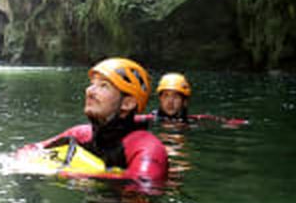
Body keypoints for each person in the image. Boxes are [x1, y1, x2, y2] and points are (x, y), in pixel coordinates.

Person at [17, 57, 168, 184]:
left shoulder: (147, 147)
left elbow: (144, 183)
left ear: (127, 103)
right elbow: (31, 149)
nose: (89, 91)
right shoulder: (80, 134)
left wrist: (76, 174)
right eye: (92, 84)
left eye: (103, 86)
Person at [136, 72, 248, 127]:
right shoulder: (150, 119)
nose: (170, 101)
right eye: (166, 96)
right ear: (160, 99)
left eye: (175, 96)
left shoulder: (192, 120)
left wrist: (232, 123)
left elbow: (214, 120)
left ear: (184, 101)